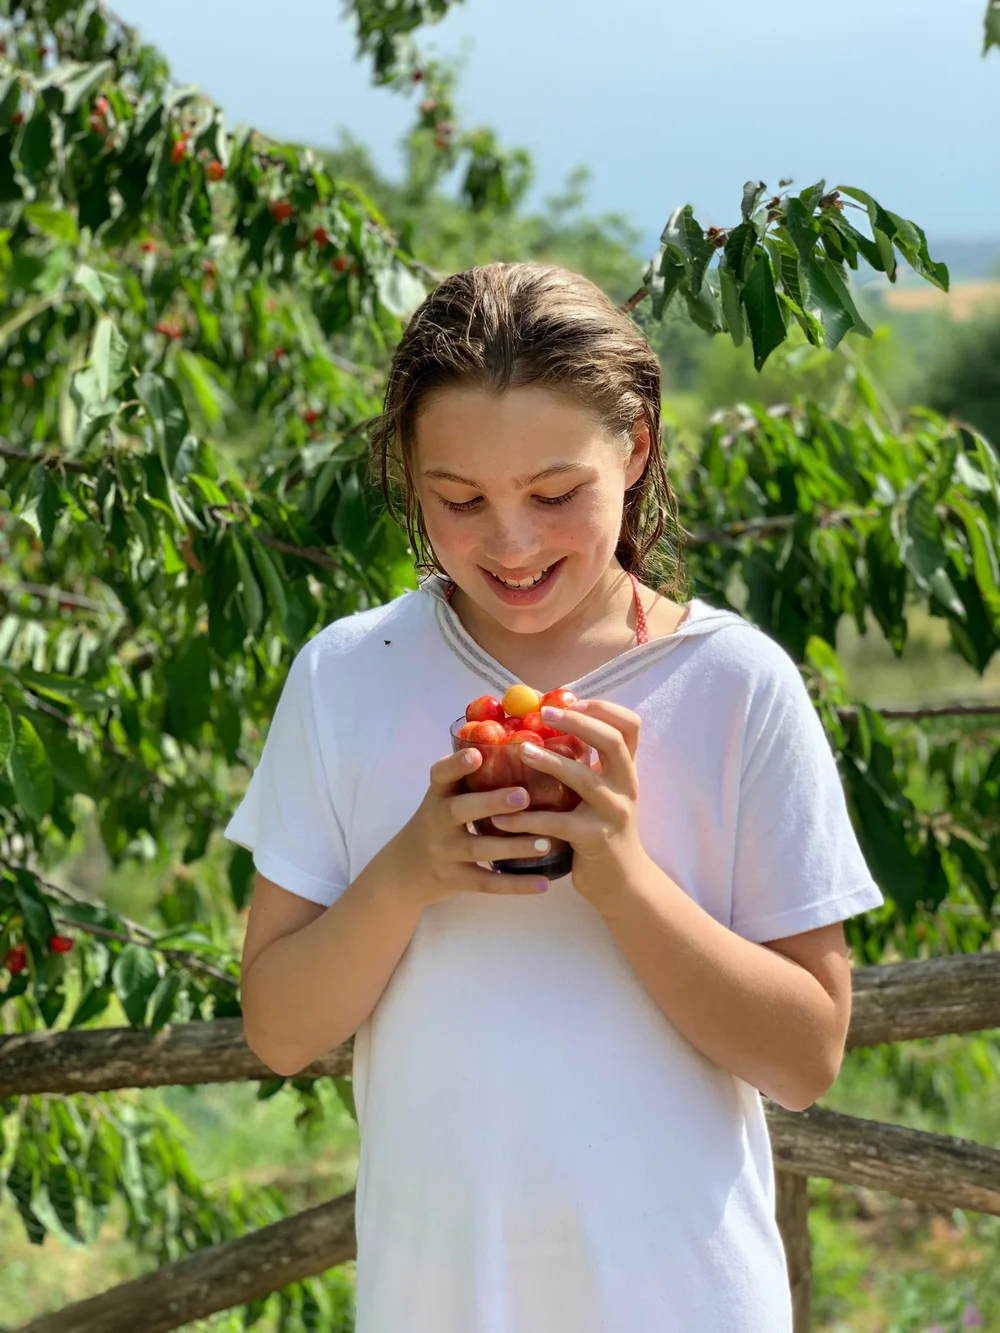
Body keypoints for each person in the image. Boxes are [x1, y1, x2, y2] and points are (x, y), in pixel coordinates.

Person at [224, 261, 884, 1332]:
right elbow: (280, 1032)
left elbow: (805, 1056)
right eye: (459, 500)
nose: (513, 541)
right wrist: (403, 876)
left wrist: (622, 877)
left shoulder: (733, 686)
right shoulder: (349, 673)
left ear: (637, 448)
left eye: (553, 493)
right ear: (406, 477)